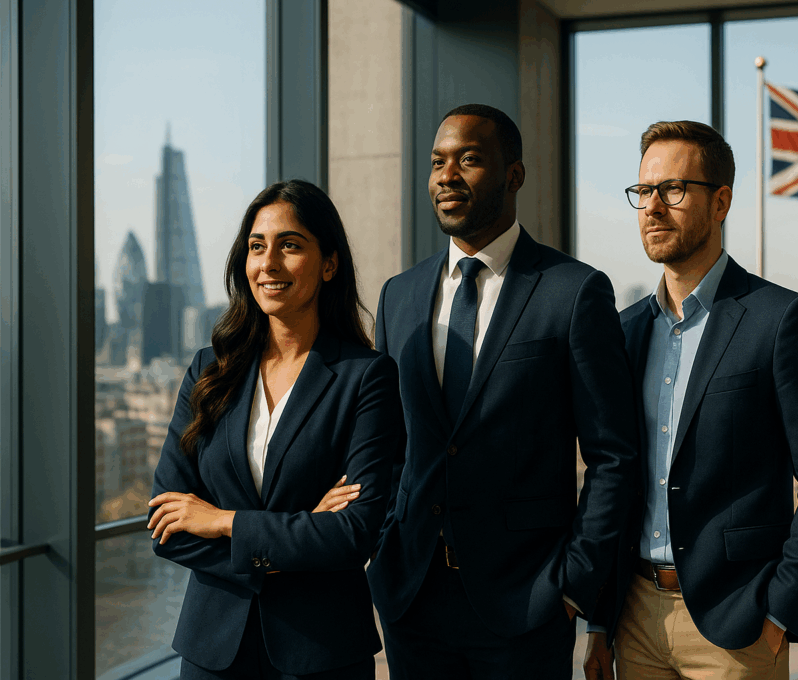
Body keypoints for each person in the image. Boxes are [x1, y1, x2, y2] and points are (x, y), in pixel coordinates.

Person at [366, 103, 638, 680]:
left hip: (528, 605)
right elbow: (390, 448)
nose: (446, 176)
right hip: (412, 602)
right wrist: (384, 551)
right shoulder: (399, 296)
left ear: (514, 174)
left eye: (468, 160)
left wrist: (572, 585)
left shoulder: (573, 291)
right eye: (438, 162)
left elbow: (613, 455)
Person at [583, 121, 798, 680]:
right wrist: (597, 618)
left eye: (674, 190)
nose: (653, 207)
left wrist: (782, 608)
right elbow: (611, 475)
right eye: (643, 192)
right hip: (633, 620)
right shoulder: (623, 332)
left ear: (721, 202)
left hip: (738, 628)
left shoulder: (781, 321)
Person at [148, 179, 404, 679]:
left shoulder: (366, 377)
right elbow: (167, 526)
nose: (268, 263)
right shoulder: (209, 370)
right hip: (212, 652)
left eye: (290, 245)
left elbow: (354, 534)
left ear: (329, 264)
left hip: (321, 652)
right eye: (256, 247)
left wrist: (224, 521)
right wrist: (299, 534)